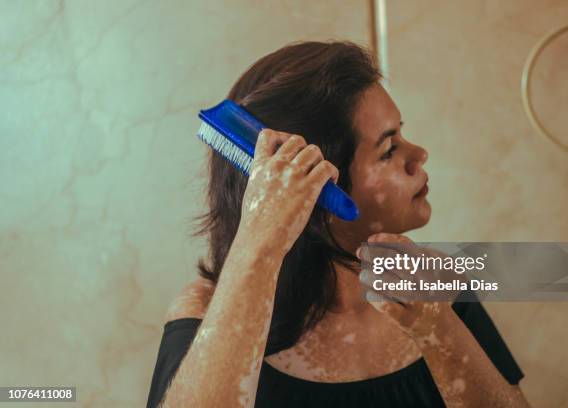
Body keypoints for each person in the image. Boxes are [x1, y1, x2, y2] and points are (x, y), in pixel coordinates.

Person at [146, 41, 530, 407]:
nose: (420, 155)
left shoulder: (434, 286)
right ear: (318, 191)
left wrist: (439, 327)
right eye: (389, 149)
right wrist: (260, 240)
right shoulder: (205, 310)